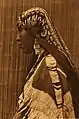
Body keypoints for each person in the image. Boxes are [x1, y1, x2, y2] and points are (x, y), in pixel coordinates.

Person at [13, 7, 79, 119]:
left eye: (21, 30)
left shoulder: (49, 68)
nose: (17, 39)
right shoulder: (40, 64)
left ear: (35, 33)